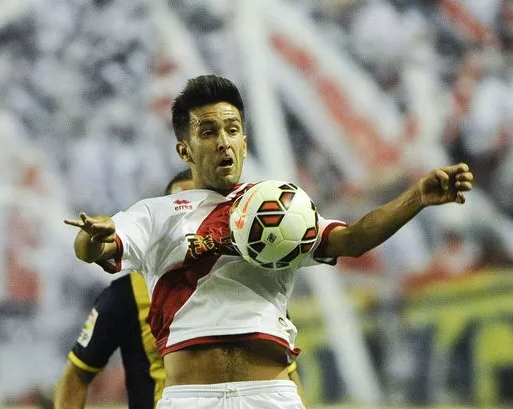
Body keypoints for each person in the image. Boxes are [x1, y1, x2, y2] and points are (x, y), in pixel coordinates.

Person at [64, 74, 474, 409]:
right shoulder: (155, 214)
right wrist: (91, 236)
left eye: (233, 129)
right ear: (184, 149)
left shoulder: (277, 206)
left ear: (244, 140)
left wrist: (416, 198)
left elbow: (352, 240)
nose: (223, 141)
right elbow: (96, 249)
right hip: (190, 398)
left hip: (270, 396)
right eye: (208, 132)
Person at [54, 169, 306, 408]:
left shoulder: (250, 283)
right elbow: (78, 372)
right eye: (182, 213)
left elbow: (285, 370)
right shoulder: (126, 294)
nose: (192, 224)